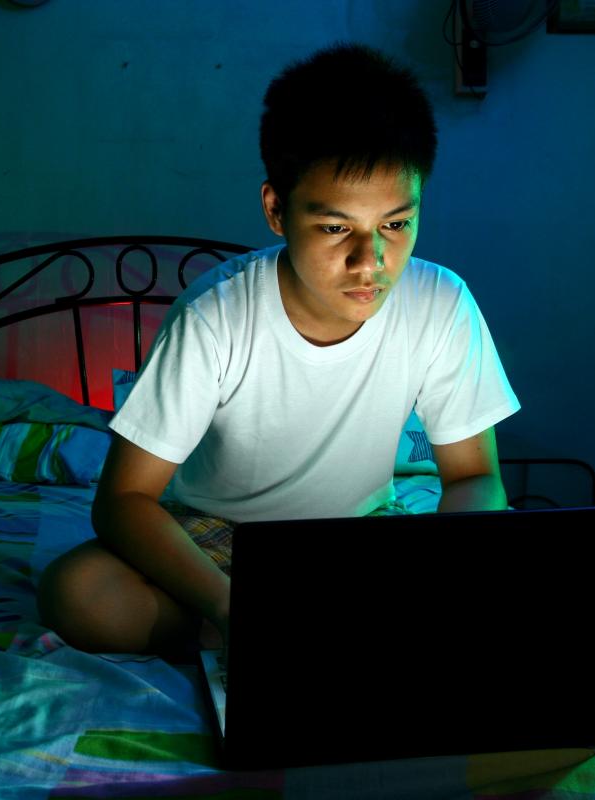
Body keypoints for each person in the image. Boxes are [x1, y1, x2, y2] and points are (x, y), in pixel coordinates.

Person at [37, 42, 520, 657]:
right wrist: (223, 602)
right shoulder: (216, 315)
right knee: (77, 592)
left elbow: (476, 477)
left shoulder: (440, 301)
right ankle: (231, 628)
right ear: (276, 210)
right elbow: (124, 500)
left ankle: (285, 631)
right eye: (335, 228)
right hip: (215, 536)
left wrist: (436, 576)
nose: (369, 263)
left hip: (360, 533)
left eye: (395, 225)